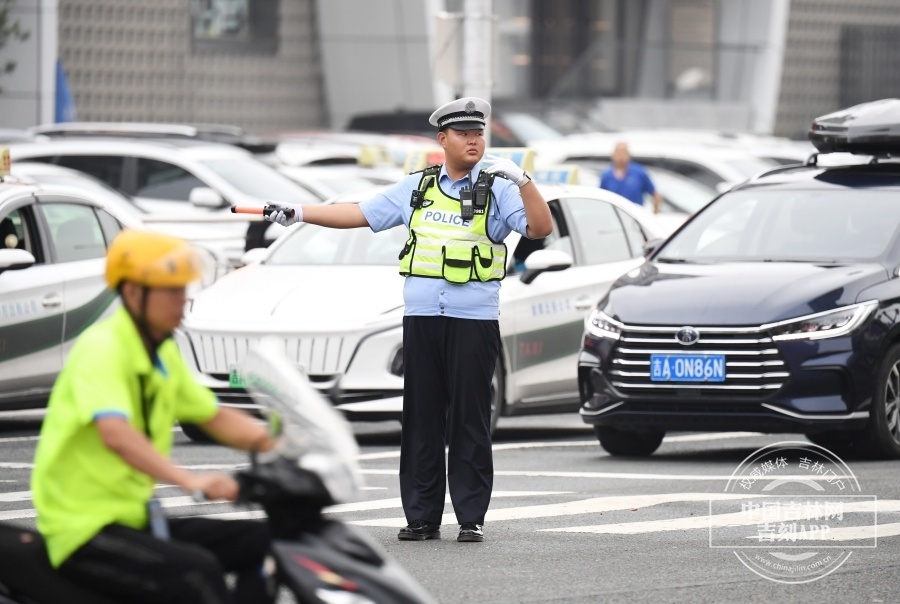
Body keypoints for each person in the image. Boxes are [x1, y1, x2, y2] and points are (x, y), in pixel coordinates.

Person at [264, 96, 552, 544]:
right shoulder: (418, 187)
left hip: (472, 319)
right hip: (422, 318)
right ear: (443, 140)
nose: (473, 140)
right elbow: (360, 214)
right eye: (463, 134)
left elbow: (540, 228)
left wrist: (525, 181)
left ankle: (470, 516)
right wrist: (300, 212)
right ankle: (421, 517)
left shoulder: (499, 187)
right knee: (421, 417)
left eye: (478, 133)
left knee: (470, 419)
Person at [30, 229, 277, 604]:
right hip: (82, 528)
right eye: (172, 290)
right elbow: (114, 432)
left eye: (184, 288)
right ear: (133, 293)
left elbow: (211, 415)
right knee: (197, 572)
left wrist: (278, 445)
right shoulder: (103, 348)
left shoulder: (161, 353)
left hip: (133, 518)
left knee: (264, 544)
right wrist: (189, 480)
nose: (184, 299)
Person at [600, 141, 662, 213]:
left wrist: (655, 214)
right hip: (614, 215)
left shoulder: (639, 173)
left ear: (629, 155)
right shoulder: (607, 176)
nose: (621, 156)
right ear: (613, 155)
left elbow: (655, 195)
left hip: (635, 215)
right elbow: (601, 198)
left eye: (623, 153)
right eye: (618, 153)